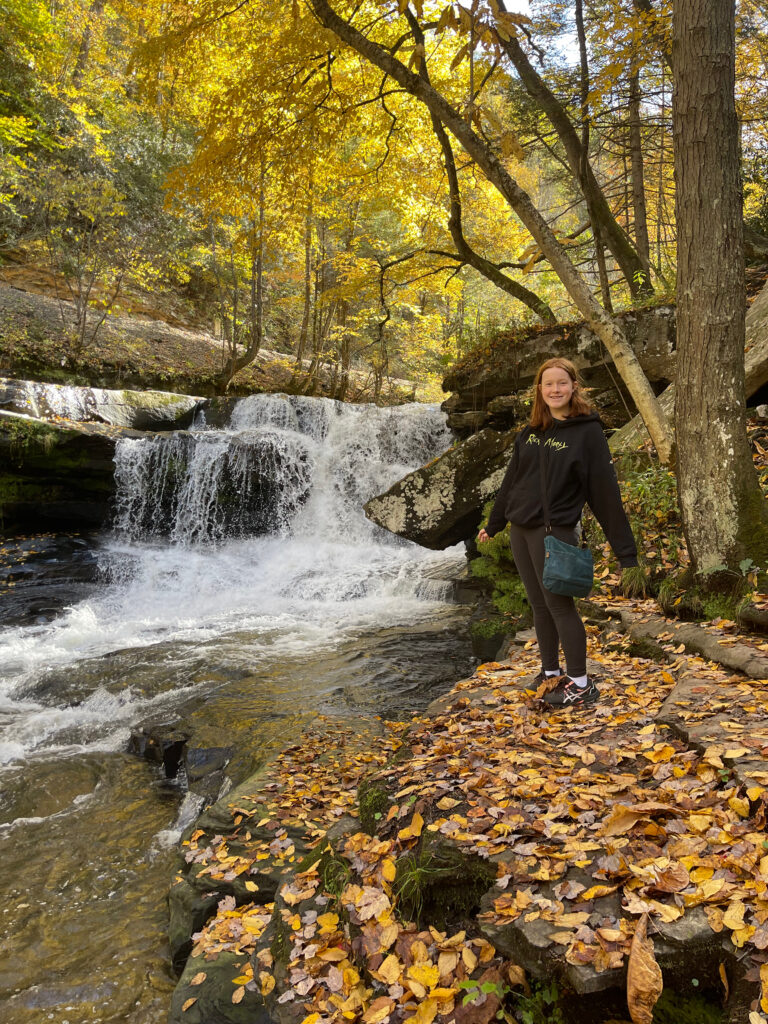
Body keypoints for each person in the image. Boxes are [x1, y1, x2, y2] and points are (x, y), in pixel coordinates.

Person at [477, 357, 638, 708]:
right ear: (539, 390)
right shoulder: (531, 432)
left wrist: (626, 553)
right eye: (548, 384)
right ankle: (550, 673)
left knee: (560, 606)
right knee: (538, 605)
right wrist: (495, 523)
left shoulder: (588, 432)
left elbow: (604, 494)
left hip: (555, 533)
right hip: (521, 530)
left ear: (573, 386)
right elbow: (511, 483)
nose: (555, 389)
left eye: (561, 383)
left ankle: (581, 683)